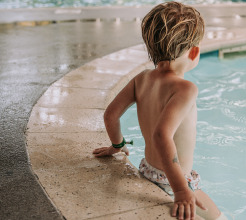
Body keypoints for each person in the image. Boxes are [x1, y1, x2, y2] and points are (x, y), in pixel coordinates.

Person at [93, 2, 227, 220]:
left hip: (147, 170)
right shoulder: (186, 88)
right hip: (173, 181)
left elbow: (111, 114)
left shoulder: (142, 79)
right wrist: (182, 190)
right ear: (194, 52)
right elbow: (161, 135)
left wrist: (117, 146)